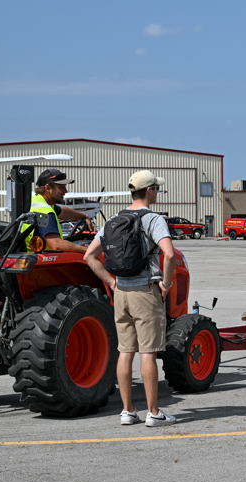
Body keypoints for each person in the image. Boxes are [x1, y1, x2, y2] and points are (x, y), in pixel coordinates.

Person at [84, 170, 177, 428]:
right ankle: (154, 413)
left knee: (125, 352)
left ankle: (127, 411)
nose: (157, 192)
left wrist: (111, 282)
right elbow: (169, 255)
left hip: (121, 294)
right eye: (156, 188)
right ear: (149, 191)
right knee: (148, 353)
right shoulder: (153, 219)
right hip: (145, 292)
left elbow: (89, 256)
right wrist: (166, 284)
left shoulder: (114, 220)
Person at [22, 169, 95, 252]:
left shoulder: (36, 201)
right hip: (43, 259)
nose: (65, 191)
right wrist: (89, 251)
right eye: (61, 187)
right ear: (48, 188)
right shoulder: (45, 213)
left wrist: (84, 216)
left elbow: (63, 212)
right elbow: (57, 245)